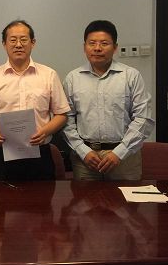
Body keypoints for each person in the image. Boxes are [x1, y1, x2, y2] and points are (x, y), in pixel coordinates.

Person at [0, 20, 70, 181]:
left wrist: (45, 131)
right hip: (4, 154)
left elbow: (61, 114)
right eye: (13, 40)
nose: (18, 45)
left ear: (33, 43)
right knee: (2, 197)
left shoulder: (49, 75)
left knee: (42, 197)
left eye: (23, 39)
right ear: (4, 44)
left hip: (40, 154)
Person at [63, 20, 155, 180]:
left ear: (115, 47)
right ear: (84, 47)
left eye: (104, 43)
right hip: (86, 160)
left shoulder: (131, 76)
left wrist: (119, 153)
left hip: (124, 157)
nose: (97, 48)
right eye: (92, 43)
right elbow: (66, 119)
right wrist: (83, 151)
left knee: (125, 197)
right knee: (85, 197)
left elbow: (143, 118)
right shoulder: (72, 79)